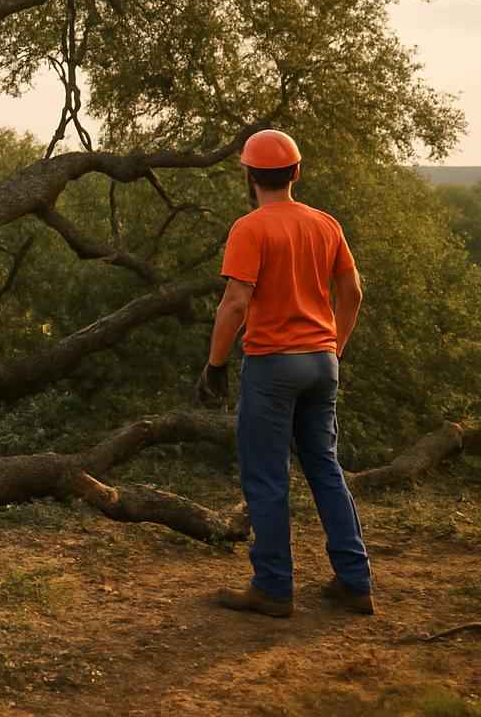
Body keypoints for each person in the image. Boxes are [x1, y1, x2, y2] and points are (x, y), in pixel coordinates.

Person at [198, 129, 373, 618]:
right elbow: (352, 293)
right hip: (322, 361)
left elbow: (235, 304)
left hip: (273, 364)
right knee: (324, 466)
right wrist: (333, 348)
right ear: (296, 172)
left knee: (266, 475)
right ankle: (355, 582)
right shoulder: (325, 224)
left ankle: (273, 587)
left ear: (250, 176)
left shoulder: (250, 229)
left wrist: (215, 366)